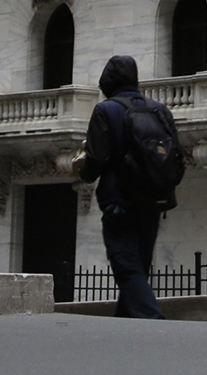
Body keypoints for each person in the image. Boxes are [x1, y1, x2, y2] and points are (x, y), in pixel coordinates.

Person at [73, 54, 170, 319]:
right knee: (139, 264)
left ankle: (153, 319)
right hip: (153, 200)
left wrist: (81, 168)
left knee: (126, 266)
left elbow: (98, 161)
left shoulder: (106, 110)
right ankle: (126, 322)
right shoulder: (159, 110)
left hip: (119, 202)